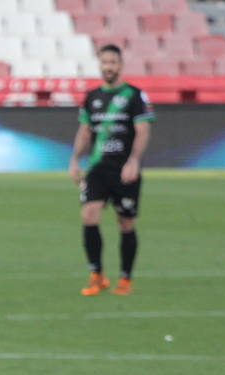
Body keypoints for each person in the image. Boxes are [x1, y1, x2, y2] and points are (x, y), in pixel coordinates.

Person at [69, 43, 154, 297]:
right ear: (100, 64)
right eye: (105, 62)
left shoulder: (134, 96)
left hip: (124, 168)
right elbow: (85, 131)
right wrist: (74, 159)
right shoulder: (92, 97)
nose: (109, 67)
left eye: (113, 62)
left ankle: (125, 278)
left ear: (120, 64)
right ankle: (96, 274)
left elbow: (142, 130)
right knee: (89, 214)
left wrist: (134, 160)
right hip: (97, 167)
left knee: (125, 222)